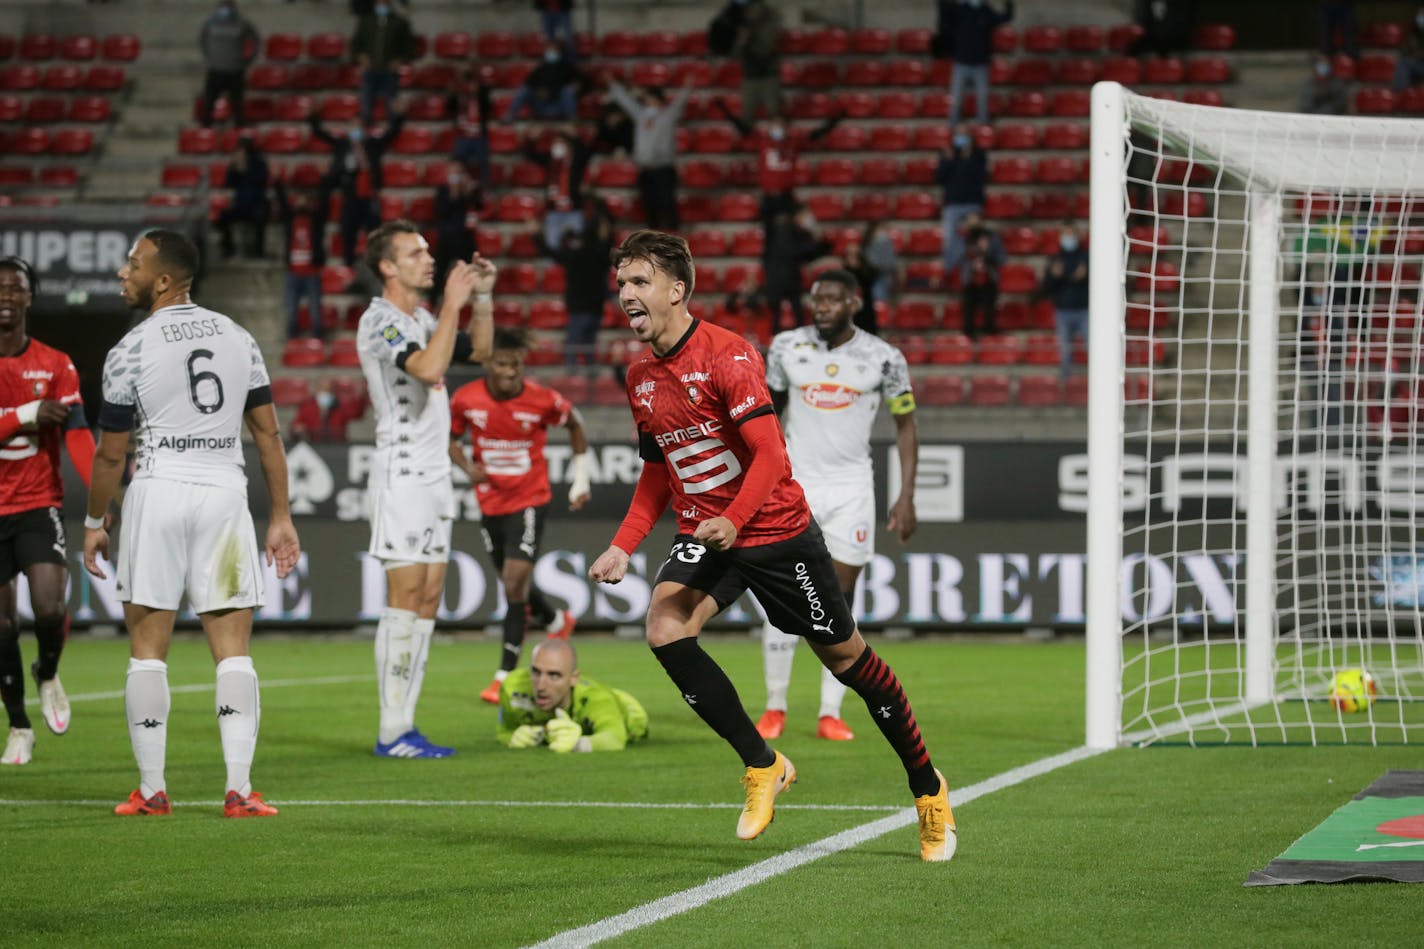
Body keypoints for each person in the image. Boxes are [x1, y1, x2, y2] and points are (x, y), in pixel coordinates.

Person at [588, 230, 955, 862]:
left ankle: (929, 792)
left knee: (848, 662)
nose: (626, 294)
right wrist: (624, 544)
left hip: (777, 532)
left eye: (639, 281)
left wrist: (734, 519)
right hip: (708, 531)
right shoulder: (640, 375)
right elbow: (657, 471)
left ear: (677, 290)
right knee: (665, 627)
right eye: (621, 283)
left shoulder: (728, 355)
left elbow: (770, 454)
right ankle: (764, 764)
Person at [82, 229, 301, 817]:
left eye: (133, 263)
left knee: (148, 648)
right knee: (232, 651)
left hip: (157, 489)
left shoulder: (130, 348)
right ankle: (240, 789)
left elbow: (110, 454)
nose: (123, 272)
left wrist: (93, 518)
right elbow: (268, 435)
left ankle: (153, 790)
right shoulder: (238, 336)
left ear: (163, 279)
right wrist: (279, 516)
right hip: (223, 493)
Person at [756, 269, 919, 744]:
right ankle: (775, 706)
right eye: (816, 298)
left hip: (852, 490)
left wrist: (906, 495)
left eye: (832, 299)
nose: (821, 306)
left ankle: (830, 712)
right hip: (793, 486)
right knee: (782, 600)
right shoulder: (786, 348)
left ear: (854, 301)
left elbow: (906, 425)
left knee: (837, 604)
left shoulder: (884, 358)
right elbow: (766, 413)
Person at [356, 220, 496, 758]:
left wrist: (480, 299)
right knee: (405, 598)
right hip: (403, 474)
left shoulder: (417, 317)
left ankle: (405, 725)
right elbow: (430, 365)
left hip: (435, 476)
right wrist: (454, 304)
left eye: (428, 249)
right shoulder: (381, 321)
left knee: (429, 598)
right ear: (387, 266)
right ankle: (392, 728)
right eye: (415, 252)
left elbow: (478, 352)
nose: (429, 258)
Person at [449, 327, 587, 704]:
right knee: (512, 583)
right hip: (490, 502)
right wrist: (465, 467)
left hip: (530, 499)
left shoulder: (542, 399)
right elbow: (450, 438)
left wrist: (580, 479)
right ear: (488, 364)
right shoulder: (466, 399)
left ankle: (504, 675)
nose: (512, 371)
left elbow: (575, 424)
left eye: (516, 364)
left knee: (512, 581)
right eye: (503, 364)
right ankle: (556, 620)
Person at [0, 256, 96, 766]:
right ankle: (18, 725)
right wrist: (24, 414)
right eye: (0, 288)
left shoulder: (56, 364)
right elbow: (24, 419)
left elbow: (79, 434)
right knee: (0, 628)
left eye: (16, 288)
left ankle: (47, 671)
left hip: (38, 502)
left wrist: (103, 497)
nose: (6, 296)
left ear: (29, 298)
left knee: (51, 608)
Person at [498, 638, 648, 751]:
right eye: (536, 672)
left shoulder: (596, 698)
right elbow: (504, 732)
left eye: (554, 675)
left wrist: (578, 744)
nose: (541, 686)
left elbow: (615, 738)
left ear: (574, 678)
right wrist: (512, 738)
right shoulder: (513, 688)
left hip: (628, 712)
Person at [308, 105, 406, 266]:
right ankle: (349, 268)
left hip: (369, 197)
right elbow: (321, 135)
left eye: (359, 125)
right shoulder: (343, 144)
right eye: (353, 125)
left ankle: (375, 267)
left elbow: (391, 135)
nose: (355, 128)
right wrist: (313, 118)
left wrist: (399, 117)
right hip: (351, 197)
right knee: (348, 233)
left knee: (375, 236)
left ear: (364, 128)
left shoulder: (373, 145)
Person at [534, 195, 615, 367]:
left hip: (581, 308)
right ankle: (586, 384)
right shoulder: (600, 253)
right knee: (588, 350)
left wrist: (536, 234)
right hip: (592, 307)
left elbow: (550, 252)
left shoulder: (576, 253)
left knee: (574, 348)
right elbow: (607, 240)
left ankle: (575, 382)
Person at [607, 76, 694, 231]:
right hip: (646, 170)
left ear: (658, 100)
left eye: (649, 98)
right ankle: (653, 239)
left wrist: (688, 86)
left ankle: (674, 238)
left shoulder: (668, 115)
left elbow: (680, 102)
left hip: (664, 170)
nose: (647, 102)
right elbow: (626, 101)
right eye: (646, 99)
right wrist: (612, 83)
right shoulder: (640, 115)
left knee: (667, 204)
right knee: (649, 206)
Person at [938, 0, 1015, 126]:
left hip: (980, 65)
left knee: (982, 99)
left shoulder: (985, 10)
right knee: (955, 98)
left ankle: (982, 126)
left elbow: (1005, 17)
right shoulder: (959, 10)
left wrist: (1008, 3)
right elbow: (945, 17)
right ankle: (952, 126)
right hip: (961, 63)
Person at [271, 179, 328, 339]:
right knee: (290, 310)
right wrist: (278, 183)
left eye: (304, 200)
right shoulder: (290, 219)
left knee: (315, 310)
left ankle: (318, 340)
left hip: (312, 272)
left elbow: (324, 203)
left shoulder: (316, 220)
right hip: (293, 273)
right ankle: (292, 341)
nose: (300, 203)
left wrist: (324, 180)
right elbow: (282, 203)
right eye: (298, 200)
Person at [1038, 223, 1089, 383]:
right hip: (1062, 311)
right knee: (1065, 351)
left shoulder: (1086, 257)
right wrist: (1055, 276)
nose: (1069, 239)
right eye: (1065, 235)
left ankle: (1095, 381)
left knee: (1092, 347)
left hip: (1084, 311)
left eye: (1071, 235)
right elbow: (1046, 285)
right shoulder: (1055, 259)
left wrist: (1083, 276)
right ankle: (1064, 384)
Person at [350, 1, 415, 125]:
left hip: (390, 72)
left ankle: (392, 129)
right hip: (370, 70)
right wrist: (360, 57)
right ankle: (366, 130)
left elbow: (408, 48)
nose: (381, 4)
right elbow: (355, 45)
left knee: (391, 104)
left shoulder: (400, 23)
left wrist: (399, 60)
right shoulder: (365, 21)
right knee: (366, 103)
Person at [937, 123, 988, 278]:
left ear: (970, 135)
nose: (961, 137)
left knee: (974, 243)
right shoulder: (947, 154)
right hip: (952, 205)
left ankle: (973, 275)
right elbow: (939, 178)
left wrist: (968, 160)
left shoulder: (978, 154)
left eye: (964, 133)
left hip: (973, 204)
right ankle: (948, 274)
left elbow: (982, 177)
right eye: (959, 133)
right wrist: (948, 161)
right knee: (950, 241)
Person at [197, 0, 259, 127]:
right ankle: (205, 131)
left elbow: (255, 43)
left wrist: (247, 61)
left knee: (237, 106)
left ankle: (239, 133)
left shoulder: (243, 24)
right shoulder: (210, 23)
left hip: (235, 71)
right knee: (208, 104)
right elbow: (202, 41)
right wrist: (210, 58)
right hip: (215, 71)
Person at [215, 136, 270, 259]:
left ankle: (259, 252)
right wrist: (232, 169)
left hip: (257, 204)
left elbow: (261, 181)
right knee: (224, 216)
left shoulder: (259, 164)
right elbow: (228, 184)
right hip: (241, 205)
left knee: (260, 217)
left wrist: (245, 169)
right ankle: (228, 250)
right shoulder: (236, 165)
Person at [730, 0, 782, 120]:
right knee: (746, 117)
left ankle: (777, 137)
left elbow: (766, 50)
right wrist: (740, 43)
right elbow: (734, 56)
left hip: (768, 77)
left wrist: (751, 37)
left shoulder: (769, 25)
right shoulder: (742, 29)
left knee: (774, 114)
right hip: (749, 78)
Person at [504, 44, 581, 122]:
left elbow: (582, 82)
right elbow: (529, 82)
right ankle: (510, 115)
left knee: (567, 91)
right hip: (540, 105)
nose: (550, 52)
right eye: (549, 50)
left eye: (553, 50)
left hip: (558, 106)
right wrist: (539, 91)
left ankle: (571, 117)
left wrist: (575, 86)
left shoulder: (567, 68)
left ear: (560, 52)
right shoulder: (542, 67)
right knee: (524, 89)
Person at [958, 211, 1003, 339]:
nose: (973, 222)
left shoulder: (991, 237)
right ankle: (968, 342)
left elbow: (1002, 258)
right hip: (970, 281)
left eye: (975, 219)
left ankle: (990, 343)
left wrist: (988, 256)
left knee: (989, 314)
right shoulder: (963, 238)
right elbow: (952, 260)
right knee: (968, 315)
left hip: (988, 280)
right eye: (970, 220)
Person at [1392, 8, 1424, 92]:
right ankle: (1400, 94)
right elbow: (1405, 52)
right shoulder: (1413, 33)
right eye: (1421, 15)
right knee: (1403, 63)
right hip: (1418, 64)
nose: (1422, 18)